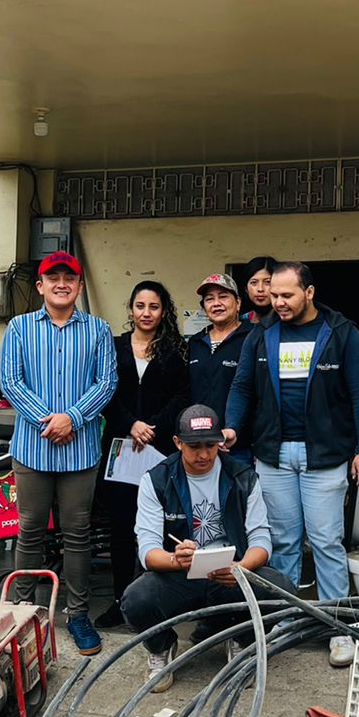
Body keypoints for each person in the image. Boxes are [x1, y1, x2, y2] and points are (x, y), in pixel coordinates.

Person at [223, 260, 359, 666]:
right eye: (274, 295)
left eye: (287, 295)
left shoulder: (341, 333)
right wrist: (233, 427)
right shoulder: (262, 334)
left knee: (326, 542)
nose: (278, 302)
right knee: (283, 543)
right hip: (273, 455)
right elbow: (242, 387)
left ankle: (337, 627)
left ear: (309, 292)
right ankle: (286, 621)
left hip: (324, 455)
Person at [0, 250, 117, 656]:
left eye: (69, 278)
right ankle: (23, 612)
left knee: (77, 533)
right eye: (54, 278)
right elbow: (11, 382)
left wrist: (73, 419)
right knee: (29, 529)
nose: (61, 284)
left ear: (79, 286)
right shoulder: (19, 328)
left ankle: (78, 614)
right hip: (32, 448)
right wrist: (48, 421)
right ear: (41, 286)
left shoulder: (98, 330)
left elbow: (107, 382)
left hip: (80, 450)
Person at [121, 405, 292, 687]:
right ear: (178, 443)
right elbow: (148, 550)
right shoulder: (157, 479)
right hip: (179, 574)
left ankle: (242, 641)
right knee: (136, 600)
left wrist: (240, 568)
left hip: (229, 572)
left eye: (210, 445)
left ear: (220, 442)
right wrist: (175, 560)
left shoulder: (242, 476)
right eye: (194, 446)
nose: (203, 455)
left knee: (281, 591)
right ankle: (161, 647)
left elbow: (261, 539)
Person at [97, 280, 188, 627]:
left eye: (154, 306)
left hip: (159, 450)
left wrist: (153, 427)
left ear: (163, 312)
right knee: (121, 528)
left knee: (160, 527)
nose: (146, 313)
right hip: (120, 450)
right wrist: (131, 424)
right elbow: (104, 392)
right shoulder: (113, 346)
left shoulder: (176, 350)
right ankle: (120, 601)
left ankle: (158, 602)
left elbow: (182, 396)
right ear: (131, 309)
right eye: (140, 306)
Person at [187, 272, 253, 458]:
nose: (216, 303)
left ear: (238, 303)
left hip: (240, 445)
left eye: (223, 297)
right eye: (209, 299)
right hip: (200, 444)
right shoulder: (196, 342)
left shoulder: (254, 338)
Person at [242, 256, 278, 323]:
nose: (260, 289)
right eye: (254, 282)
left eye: (267, 282)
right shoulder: (240, 322)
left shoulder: (287, 322)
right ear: (246, 289)